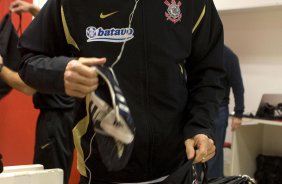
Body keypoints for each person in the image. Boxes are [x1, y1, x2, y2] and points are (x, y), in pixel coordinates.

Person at [18, 0, 225, 183]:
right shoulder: (70, 4)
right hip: (102, 170)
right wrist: (61, 71)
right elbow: (27, 59)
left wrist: (200, 126)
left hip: (177, 170)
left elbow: (208, 71)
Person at [0, 1, 75, 183]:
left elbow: (29, 87)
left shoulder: (49, 54)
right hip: (65, 117)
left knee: (51, 177)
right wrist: (34, 10)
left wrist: (1, 67)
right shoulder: (70, 35)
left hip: (55, 121)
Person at [206, 45, 245, 178]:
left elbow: (238, 86)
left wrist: (238, 114)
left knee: (214, 157)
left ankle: (215, 181)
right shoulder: (198, 50)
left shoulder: (228, 56)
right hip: (197, 109)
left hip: (218, 111)